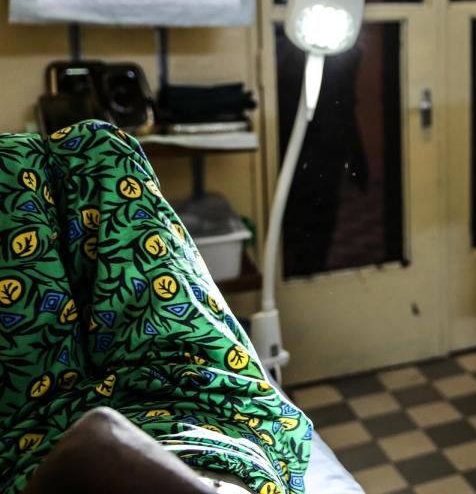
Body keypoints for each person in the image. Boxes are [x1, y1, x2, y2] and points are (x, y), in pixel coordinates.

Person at [0, 121, 311, 493]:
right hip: (195, 414)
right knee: (100, 149)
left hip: (27, 435)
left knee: (22, 168)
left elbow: (98, 439)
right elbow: (99, 438)